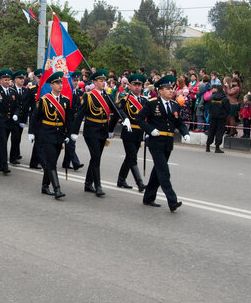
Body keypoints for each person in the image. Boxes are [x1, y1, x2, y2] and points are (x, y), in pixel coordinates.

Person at [136, 75, 190, 212]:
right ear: (160, 91)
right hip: (155, 141)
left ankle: (148, 197)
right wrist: (150, 129)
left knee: (157, 171)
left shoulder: (174, 105)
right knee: (164, 172)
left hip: (168, 143)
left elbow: (179, 122)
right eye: (167, 89)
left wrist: (185, 133)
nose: (171, 91)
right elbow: (140, 119)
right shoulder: (152, 103)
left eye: (171, 88)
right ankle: (172, 201)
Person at [71, 69, 128, 197]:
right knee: (96, 157)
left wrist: (126, 119)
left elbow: (116, 109)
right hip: (91, 130)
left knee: (96, 158)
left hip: (103, 130)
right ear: (94, 82)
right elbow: (80, 115)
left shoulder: (107, 96)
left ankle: (87, 183)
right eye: (101, 81)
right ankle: (98, 186)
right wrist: (74, 132)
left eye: (104, 81)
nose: (103, 83)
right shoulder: (88, 96)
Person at [28, 71, 73, 199]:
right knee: (51, 161)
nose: (60, 85)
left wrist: (69, 134)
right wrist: (32, 132)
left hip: (59, 135)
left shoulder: (65, 100)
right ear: (51, 85)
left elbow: (69, 120)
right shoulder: (44, 100)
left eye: (61, 83)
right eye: (57, 83)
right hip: (46, 134)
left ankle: (44, 186)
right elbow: (35, 117)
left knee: (51, 162)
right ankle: (57, 189)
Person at [112, 73, 147, 192]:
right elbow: (117, 110)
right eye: (135, 85)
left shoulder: (144, 100)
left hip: (139, 132)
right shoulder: (125, 98)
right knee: (132, 157)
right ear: (130, 86)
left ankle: (121, 179)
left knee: (129, 157)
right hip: (128, 131)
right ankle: (140, 183)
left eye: (139, 85)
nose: (137, 87)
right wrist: (110, 129)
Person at [0, 69, 19, 175]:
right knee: (2, 143)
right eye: (5, 80)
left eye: (8, 80)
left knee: (3, 142)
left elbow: (17, 106)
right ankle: (5, 166)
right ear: (0, 81)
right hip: (0, 120)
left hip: (10, 121)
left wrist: (16, 114)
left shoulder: (13, 92)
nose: (7, 82)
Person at [9, 70, 28, 165]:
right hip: (12, 118)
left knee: (18, 137)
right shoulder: (11, 90)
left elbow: (26, 106)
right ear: (15, 80)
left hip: (21, 118)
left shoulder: (26, 90)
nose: (22, 80)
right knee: (15, 137)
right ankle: (13, 157)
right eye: (20, 78)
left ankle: (16, 153)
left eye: (23, 78)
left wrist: (24, 120)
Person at [206, 85, 230, 153]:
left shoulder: (211, 97)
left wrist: (211, 114)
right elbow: (228, 109)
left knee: (211, 131)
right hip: (221, 118)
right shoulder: (225, 98)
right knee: (219, 132)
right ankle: (217, 147)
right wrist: (224, 115)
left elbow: (209, 107)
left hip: (212, 117)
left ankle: (208, 146)